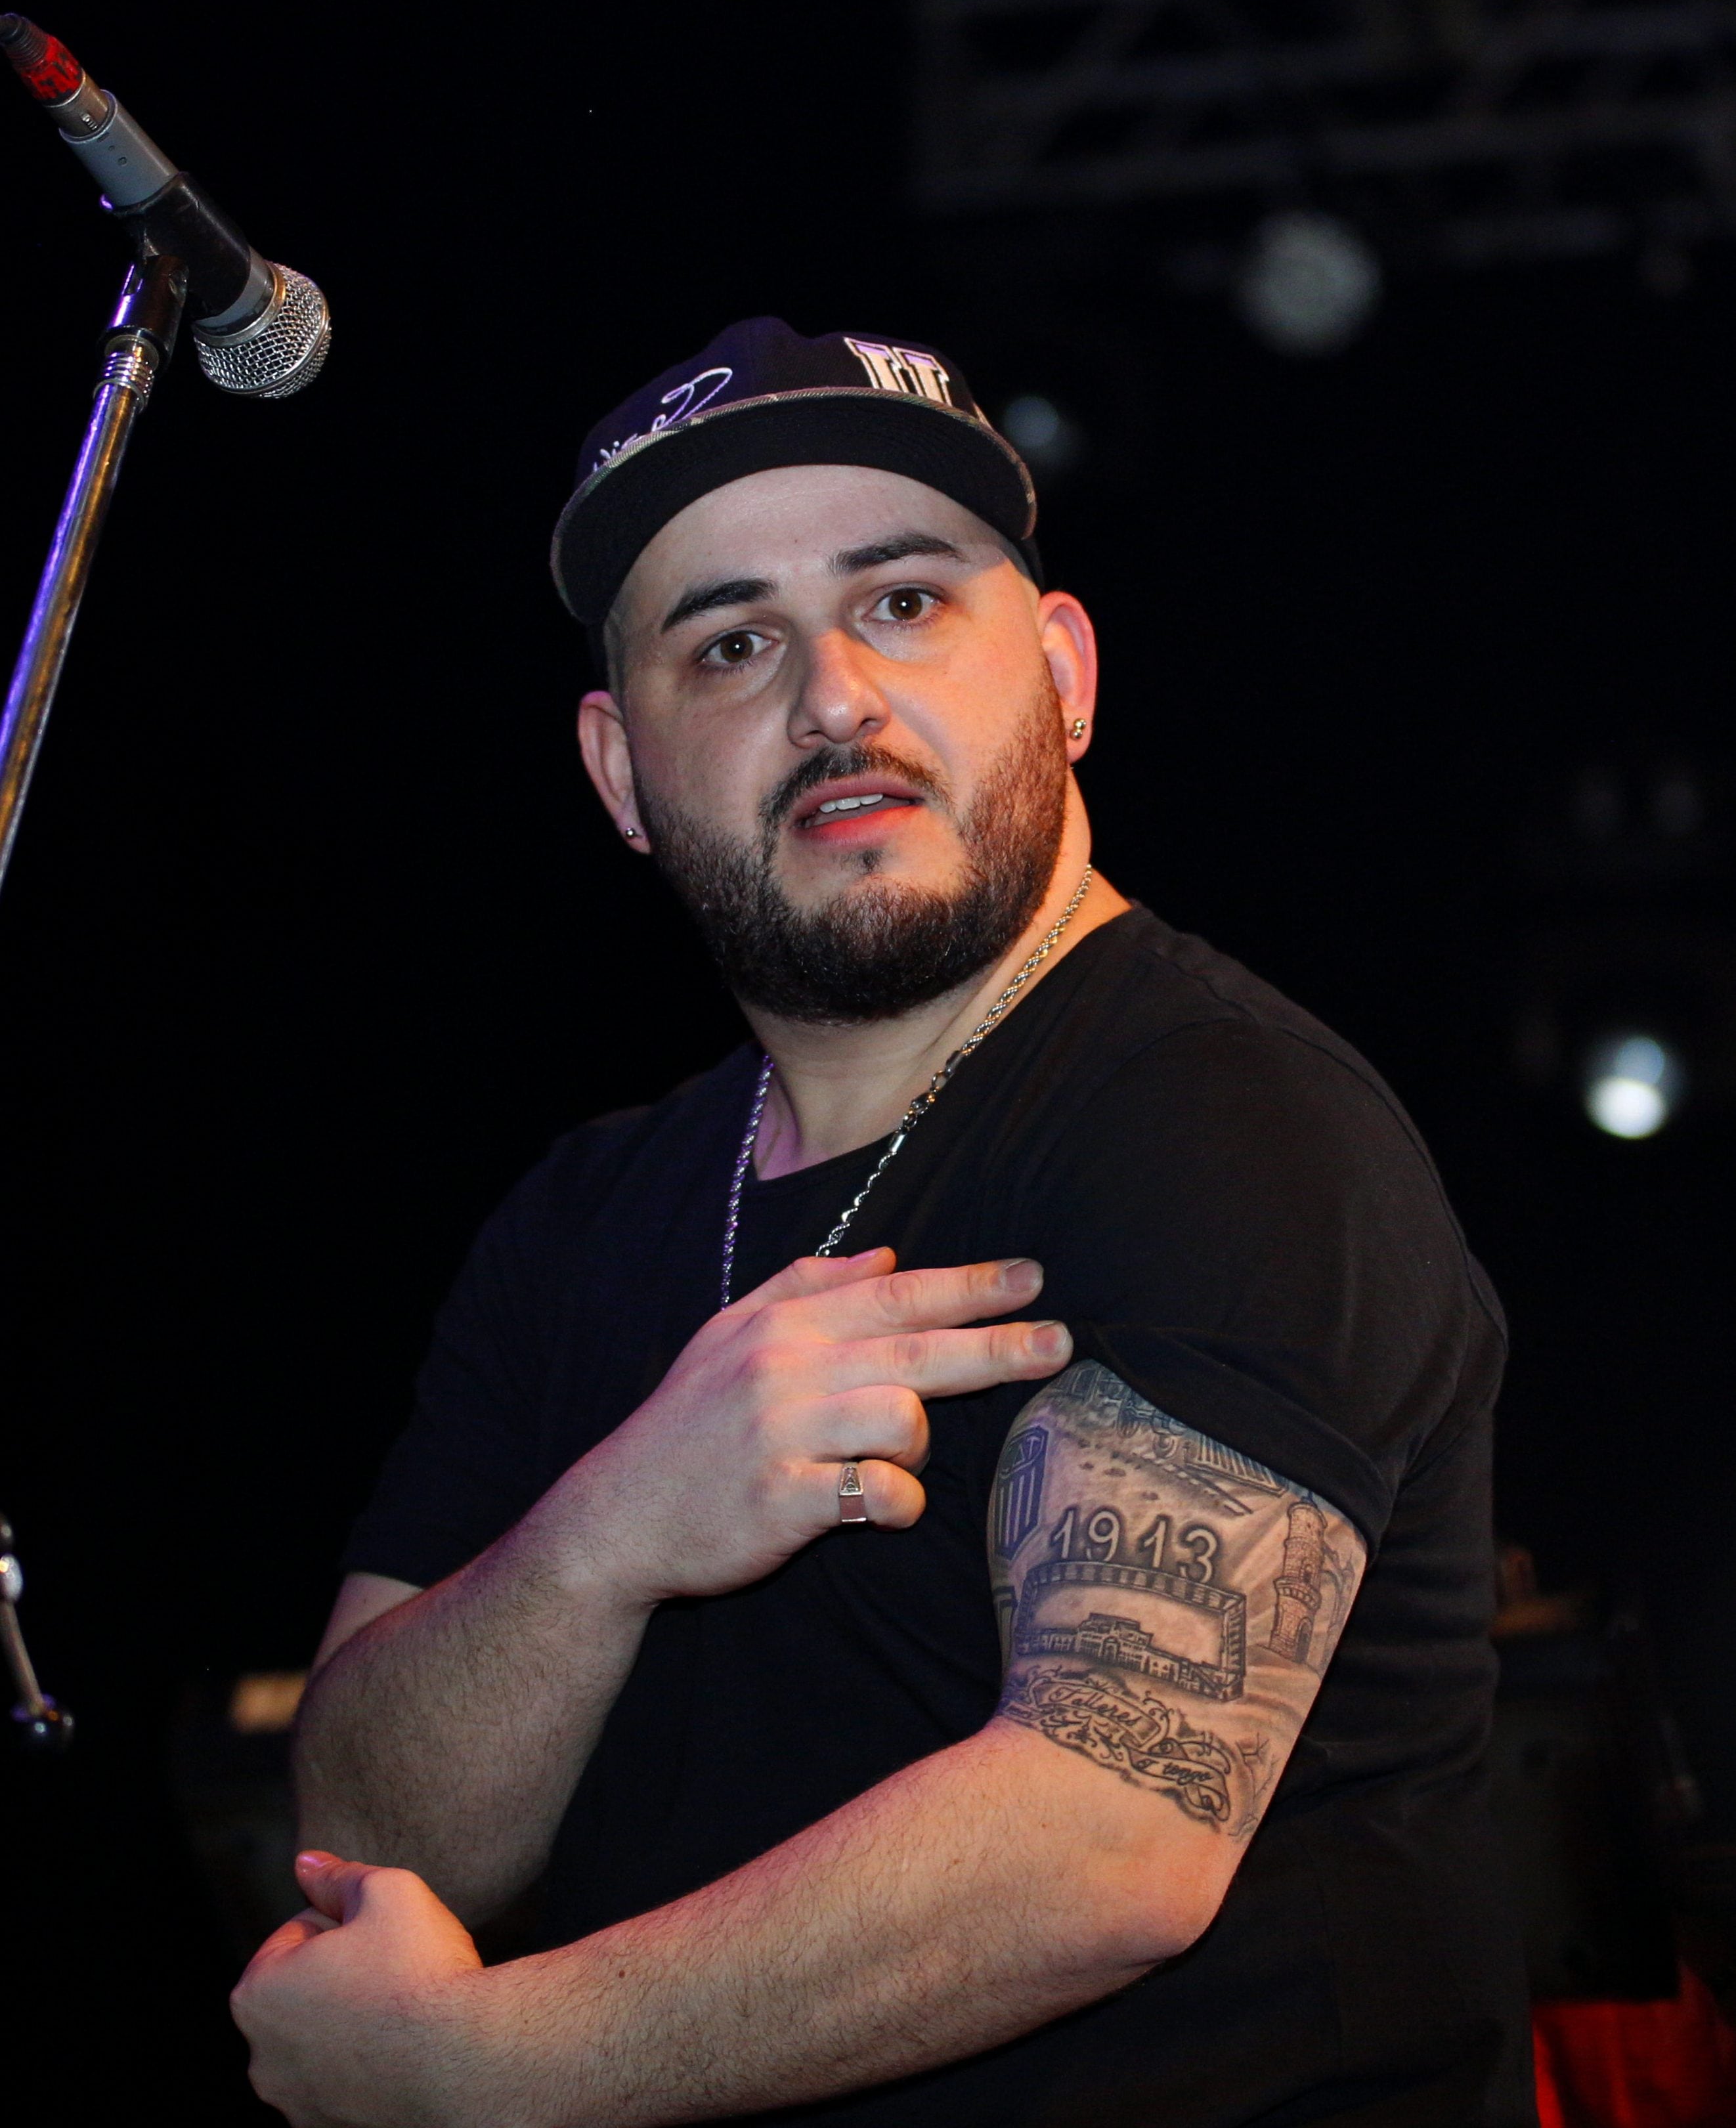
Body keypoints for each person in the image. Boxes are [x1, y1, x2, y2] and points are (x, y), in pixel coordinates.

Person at [232, 319, 1534, 2126]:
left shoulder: (1221, 1116)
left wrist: (491, 2066)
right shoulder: (585, 1214)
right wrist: (614, 1524)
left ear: (1065, 672)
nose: (831, 694)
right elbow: (366, 1831)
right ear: (619, 772)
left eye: (904, 601)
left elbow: (1104, 1831)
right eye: (732, 641)